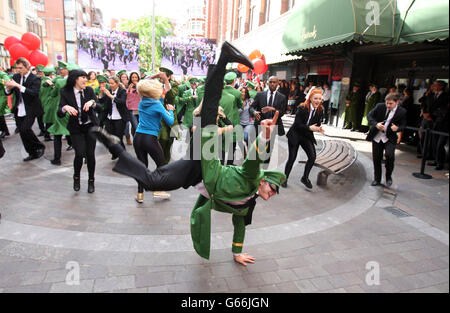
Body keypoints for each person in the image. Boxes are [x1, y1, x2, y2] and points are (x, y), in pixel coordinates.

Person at [90, 41, 286, 266]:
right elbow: (253, 160)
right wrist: (265, 135)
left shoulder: (249, 202)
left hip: (196, 172)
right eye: (272, 189)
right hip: (209, 160)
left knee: (153, 182)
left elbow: (240, 225)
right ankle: (224, 57)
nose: (271, 194)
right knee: (211, 107)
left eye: (274, 193)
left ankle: (114, 145)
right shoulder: (253, 177)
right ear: (264, 182)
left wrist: (236, 253)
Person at [58, 69, 101, 193]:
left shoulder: (89, 90)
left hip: (90, 127)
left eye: (86, 77)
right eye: (83, 77)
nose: (85, 80)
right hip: (76, 128)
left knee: (91, 154)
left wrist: (92, 102)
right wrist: (65, 108)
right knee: (80, 153)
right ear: (75, 79)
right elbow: (59, 113)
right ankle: (76, 177)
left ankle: (91, 181)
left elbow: (99, 107)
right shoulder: (65, 92)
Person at [133, 78, 175, 203]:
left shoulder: (142, 101)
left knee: (142, 166)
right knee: (161, 165)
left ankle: (140, 194)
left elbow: (158, 101)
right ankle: (158, 190)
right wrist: (171, 111)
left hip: (138, 137)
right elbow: (170, 122)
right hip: (149, 138)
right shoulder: (157, 105)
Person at [4, 58, 45, 162]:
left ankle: (39, 146)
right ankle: (31, 152)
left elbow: (34, 93)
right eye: (17, 68)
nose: (18, 70)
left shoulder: (35, 78)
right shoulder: (16, 76)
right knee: (22, 132)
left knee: (25, 129)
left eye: (21, 68)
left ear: (27, 67)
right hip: (19, 108)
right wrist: (8, 88)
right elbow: (9, 92)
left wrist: (18, 85)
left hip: (31, 108)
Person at [283, 88, 325, 189]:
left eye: (320, 99)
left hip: (306, 135)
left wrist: (318, 128)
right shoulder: (302, 107)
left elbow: (317, 123)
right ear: (310, 98)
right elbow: (297, 124)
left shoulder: (320, 110)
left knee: (312, 156)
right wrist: (310, 127)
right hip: (295, 134)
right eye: (315, 98)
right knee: (292, 158)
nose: (318, 101)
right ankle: (284, 179)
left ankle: (305, 178)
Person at [366, 93, 407, 187]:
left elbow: (403, 125)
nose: (388, 105)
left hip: (390, 137)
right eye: (387, 103)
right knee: (376, 158)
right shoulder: (379, 106)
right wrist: (376, 124)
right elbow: (369, 116)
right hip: (377, 136)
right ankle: (377, 179)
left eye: (391, 103)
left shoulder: (402, 112)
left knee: (390, 156)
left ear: (396, 102)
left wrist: (398, 128)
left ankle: (388, 177)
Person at [251, 76, 287, 166]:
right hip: (260, 125)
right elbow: (251, 107)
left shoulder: (282, 97)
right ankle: (255, 170)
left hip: (273, 126)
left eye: (274, 82)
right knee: (258, 148)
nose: (272, 84)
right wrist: (254, 112)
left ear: (278, 84)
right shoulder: (260, 95)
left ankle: (264, 173)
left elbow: (282, 112)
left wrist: (273, 109)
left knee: (268, 151)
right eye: (270, 82)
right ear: (267, 83)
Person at [98, 76, 128, 160]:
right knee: (108, 138)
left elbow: (121, 102)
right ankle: (114, 153)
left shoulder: (122, 91)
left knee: (118, 139)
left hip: (120, 118)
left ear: (117, 83)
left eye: (112, 83)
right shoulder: (109, 91)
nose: (110, 85)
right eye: (109, 83)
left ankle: (124, 155)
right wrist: (101, 93)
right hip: (109, 118)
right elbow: (101, 101)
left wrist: (110, 96)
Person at [238, 87, 257, 158]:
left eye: (244, 92)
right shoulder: (237, 101)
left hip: (249, 123)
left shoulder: (250, 100)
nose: (243, 93)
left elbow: (253, 108)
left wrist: (252, 105)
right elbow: (237, 113)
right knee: (239, 140)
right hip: (239, 123)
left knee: (245, 137)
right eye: (242, 92)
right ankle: (244, 152)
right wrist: (242, 107)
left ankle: (250, 151)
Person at [125, 72, 141, 138]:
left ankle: (135, 139)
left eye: (136, 77)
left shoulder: (141, 86)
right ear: (130, 78)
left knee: (139, 126)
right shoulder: (128, 86)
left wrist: (138, 86)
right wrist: (128, 89)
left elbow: (143, 94)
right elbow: (127, 97)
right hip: (132, 109)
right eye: (133, 77)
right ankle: (137, 140)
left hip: (140, 109)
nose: (134, 79)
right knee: (136, 126)